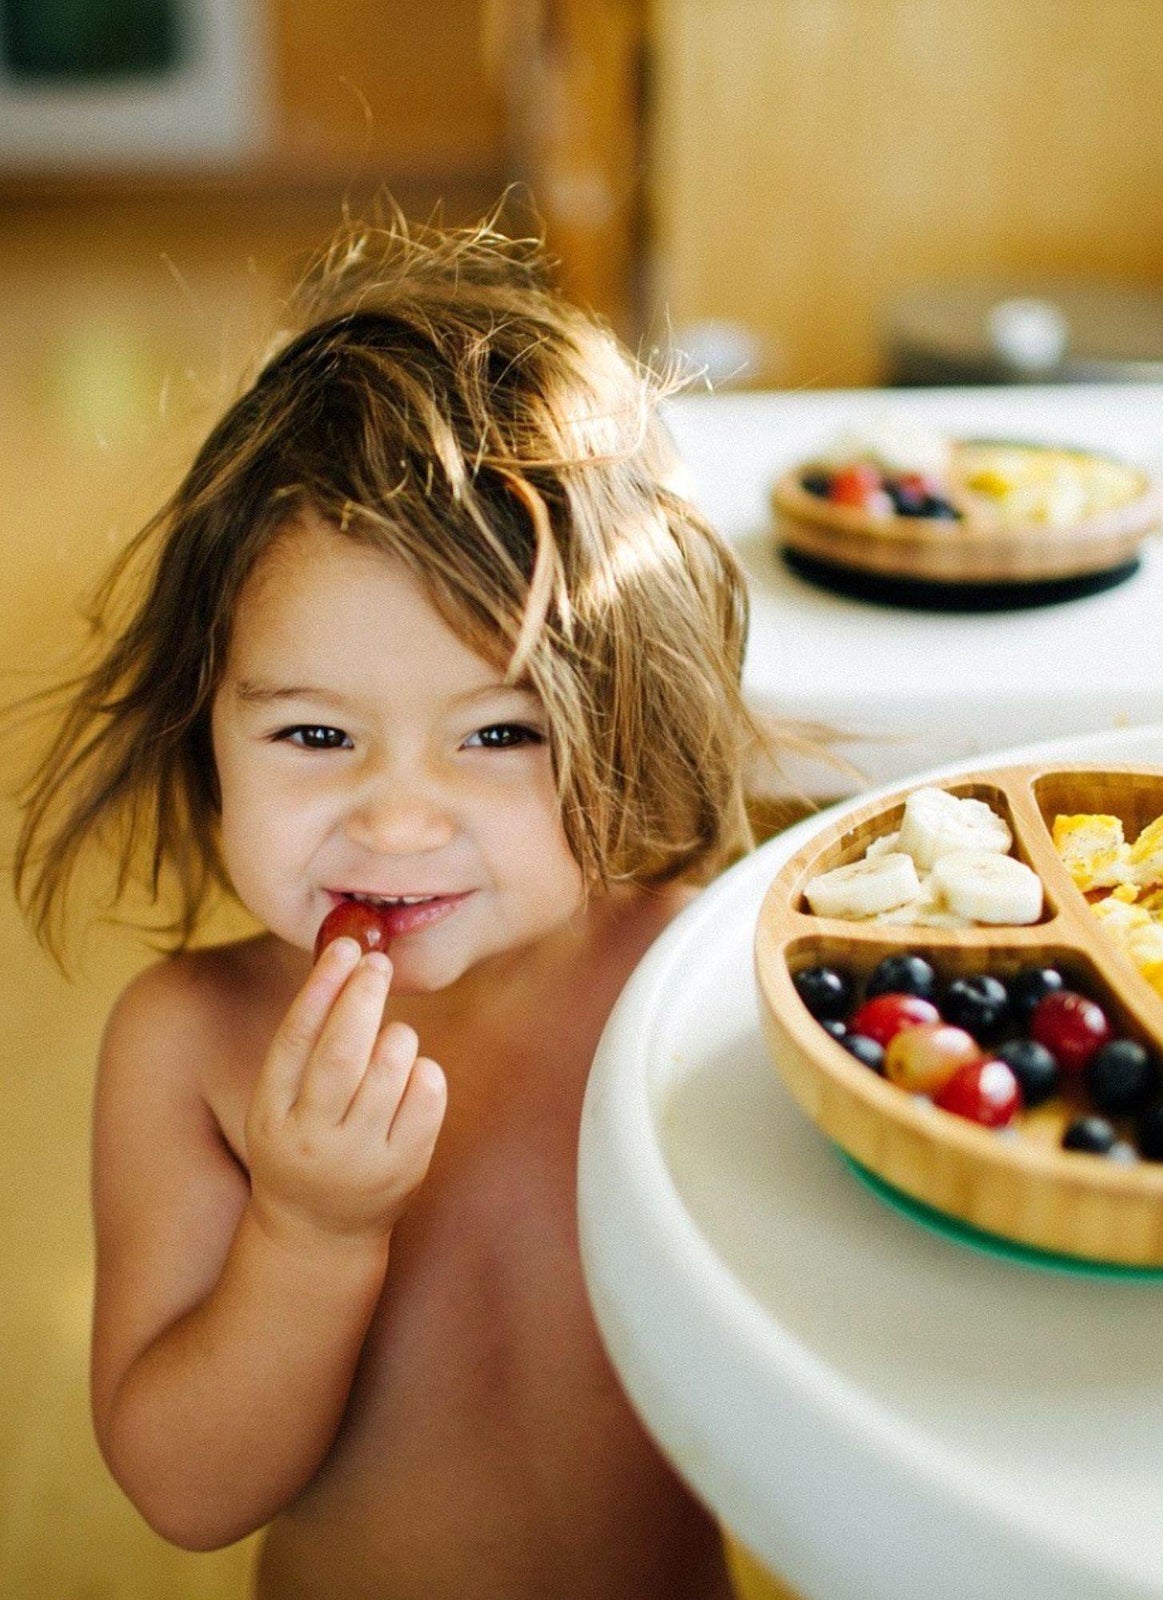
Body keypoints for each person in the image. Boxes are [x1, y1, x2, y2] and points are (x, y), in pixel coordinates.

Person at [12, 212, 766, 1599]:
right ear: (207, 734)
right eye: (314, 738)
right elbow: (186, 1489)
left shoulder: (682, 980)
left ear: (625, 725)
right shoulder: (192, 1048)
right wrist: (309, 1230)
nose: (399, 820)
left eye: (496, 737)